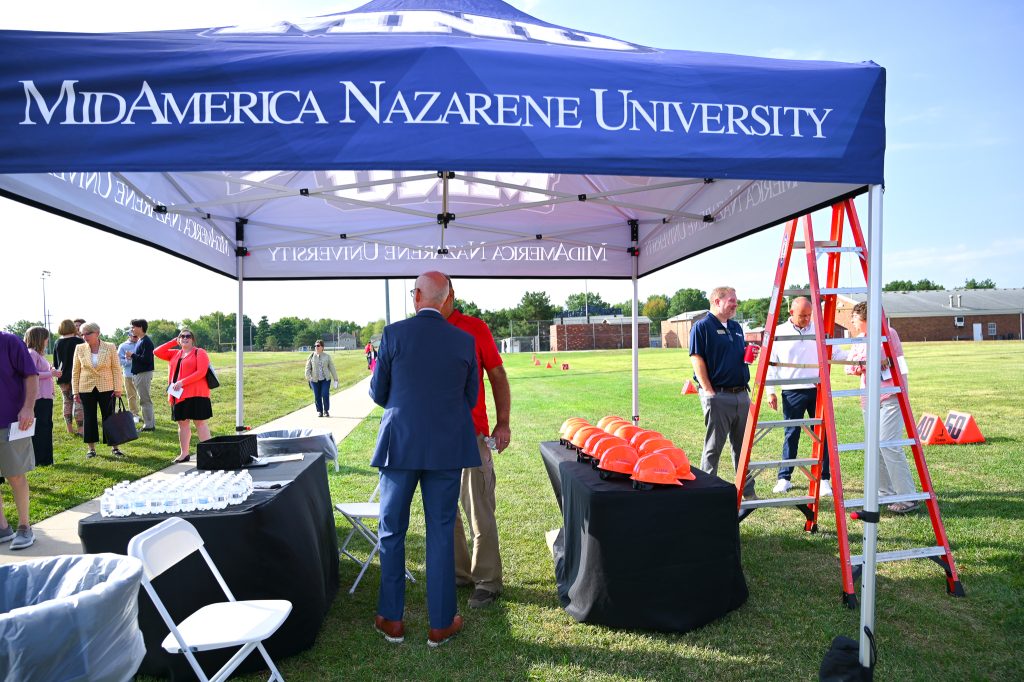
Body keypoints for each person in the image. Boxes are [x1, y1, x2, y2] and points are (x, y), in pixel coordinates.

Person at [370, 271, 480, 648]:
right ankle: (441, 623)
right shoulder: (465, 341)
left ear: (416, 295)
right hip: (446, 447)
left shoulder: (393, 334)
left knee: (392, 531)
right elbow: (471, 399)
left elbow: (378, 392)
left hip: (400, 444)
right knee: (440, 532)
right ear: (447, 299)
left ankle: (391, 618)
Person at [440, 274, 512, 609]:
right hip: (434, 437)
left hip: (471, 434)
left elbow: (497, 374)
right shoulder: (419, 332)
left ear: (449, 295)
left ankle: (487, 580)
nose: (417, 299)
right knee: (445, 510)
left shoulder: (474, 328)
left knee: (478, 507)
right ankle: (458, 574)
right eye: (415, 293)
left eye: (422, 292)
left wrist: (503, 423)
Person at [840, 301, 917, 513]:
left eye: (854, 317)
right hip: (868, 397)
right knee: (875, 446)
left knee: (888, 443)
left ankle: (908, 497)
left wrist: (869, 362)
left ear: (864, 317)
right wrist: (867, 363)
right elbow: (850, 367)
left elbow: (890, 360)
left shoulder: (888, 333)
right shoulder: (858, 340)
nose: (852, 321)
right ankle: (885, 493)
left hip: (891, 395)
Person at [689, 286, 759, 499]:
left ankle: (747, 492)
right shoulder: (701, 327)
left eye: (736, 300)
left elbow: (738, 356)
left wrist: (749, 355)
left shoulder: (737, 327)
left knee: (743, 447)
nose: (736, 304)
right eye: (732, 300)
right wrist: (709, 391)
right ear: (717, 302)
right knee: (713, 447)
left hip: (741, 395)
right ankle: (705, 493)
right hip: (718, 395)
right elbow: (696, 359)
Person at [766, 297, 832, 497]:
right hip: (791, 391)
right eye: (802, 315)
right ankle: (784, 478)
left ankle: (824, 480)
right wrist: (771, 391)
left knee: (822, 436)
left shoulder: (818, 329)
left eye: (809, 315)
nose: (806, 319)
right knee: (791, 434)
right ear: (791, 313)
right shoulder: (778, 332)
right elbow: (771, 362)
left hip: (817, 390)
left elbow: (833, 350)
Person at [0, 331, 39, 550]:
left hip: (10, 421)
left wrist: (28, 407)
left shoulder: (9, 341)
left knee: (14, 474)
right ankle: (2, 528)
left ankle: (25, 526)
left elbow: (30, 375)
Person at [155, 329, 212, 464]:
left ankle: (209, 453)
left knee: (200, 422)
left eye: (188, 336)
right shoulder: (175, 354)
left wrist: (182, 382)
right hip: (179, 396)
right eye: (182, 336)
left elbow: (201, 372)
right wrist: (173, 341)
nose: (185, 338)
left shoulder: (200, 352)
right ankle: (184, 453)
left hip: (197, 393)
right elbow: (156, 352)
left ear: (193, 339)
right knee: (182, 423)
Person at [71, 322, 125, 458]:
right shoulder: (79, 348)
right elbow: (75, 371)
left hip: (107, 387)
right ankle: (91, 449)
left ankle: (115, 447)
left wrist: (118, 388)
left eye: (88, 333)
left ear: (97, 333)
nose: (84, 336)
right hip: (86, 387)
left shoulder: (110, 347)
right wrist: (75, 391)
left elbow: (116, 369)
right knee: (89, 418)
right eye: (82, 334)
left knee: (109, 417)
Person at [24, 327, 60, 467]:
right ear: (39, 338)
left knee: (45, 426)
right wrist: (51, 374)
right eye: (46, 338)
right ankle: (41, 459)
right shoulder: (31, 353)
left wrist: (50, 371)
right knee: (41, 428)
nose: (47, 341)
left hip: (45, 396)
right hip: (38, 397)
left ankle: (46, 458)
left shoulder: (38, 354)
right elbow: (32, 374)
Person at [52, 318, 84, 436]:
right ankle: (80, 429)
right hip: (78, 376)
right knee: (79, 402)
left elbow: (56, 363)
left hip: (62, 376)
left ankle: (69, 429)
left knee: (67, 401)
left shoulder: (57, 342)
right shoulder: (79, 341)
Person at [127, 319, 156, 432]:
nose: (132, 329)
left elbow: (147, 360)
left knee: (145, 400)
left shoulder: (146, 341)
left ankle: (149, 425)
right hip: (139, 374)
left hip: (144, 374)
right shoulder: (141, 340)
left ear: (140, 327)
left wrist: (133, 355)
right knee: (144, 399)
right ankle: (149, 424)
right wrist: (133, 356)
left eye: (133, 327)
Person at [305, 339, 339, 417]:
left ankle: (326, 410)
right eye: (315, 346)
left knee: (325, 394)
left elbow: (332, 368)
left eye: (318, 345)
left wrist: (336, 379)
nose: (316, 347)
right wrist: (308, 377)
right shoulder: (311, 356)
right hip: (314, 380)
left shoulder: (327, 356)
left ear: (322, 347)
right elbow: (307, 368)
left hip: (325, 379)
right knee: (317, 395)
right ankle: (320, 411)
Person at [117, 330, 141, 422]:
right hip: (129, 374)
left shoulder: (141, 343)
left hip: (141, 374)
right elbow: (119, 361)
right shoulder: (123, 346)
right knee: (131, 395)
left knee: (142, 395)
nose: (136, 338)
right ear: (129, 336)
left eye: (137, 336)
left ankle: (145, 415)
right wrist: (129, 360)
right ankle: (134, 414)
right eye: (134, 336)